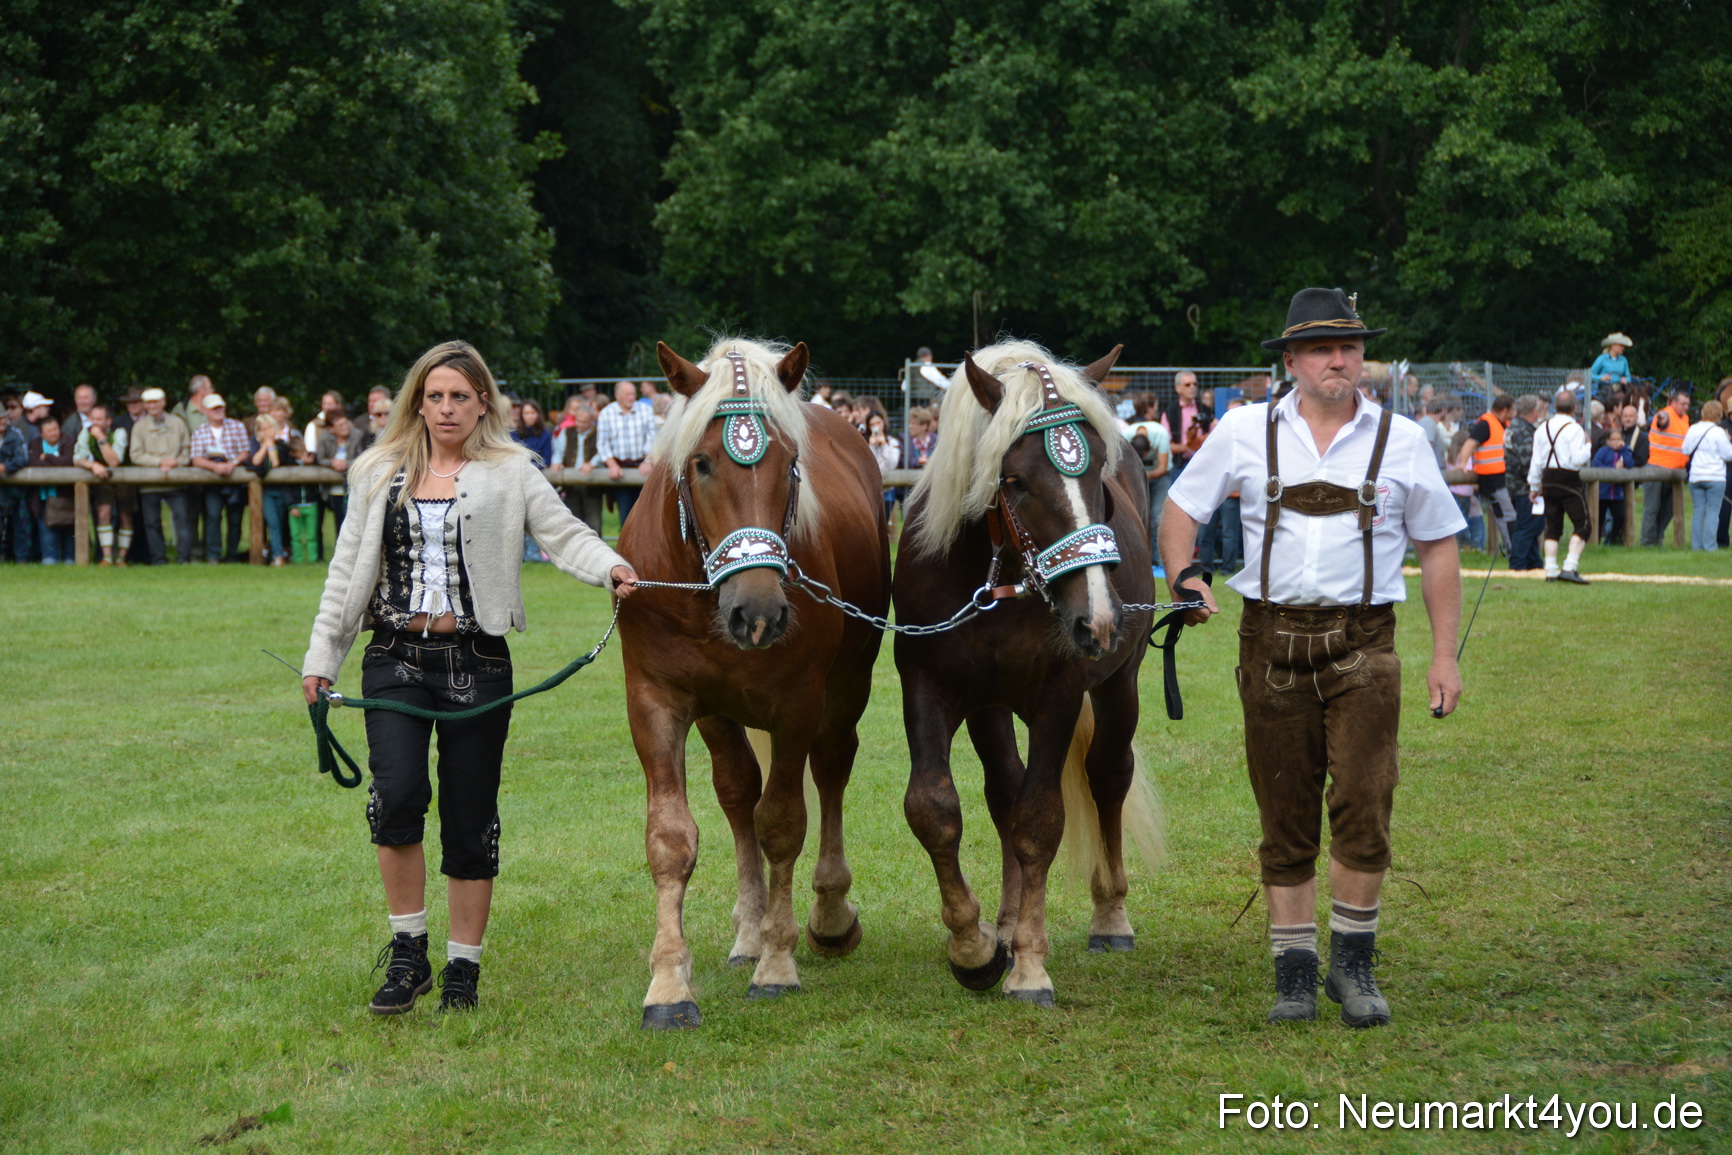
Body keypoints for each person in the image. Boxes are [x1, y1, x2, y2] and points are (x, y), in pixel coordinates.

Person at [300, 340, 638, 1015]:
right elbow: (346, 573)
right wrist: (319, 659)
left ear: (484, 401)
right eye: (435, 396)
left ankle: (462, 969)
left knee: (469, 814)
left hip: (476, 661)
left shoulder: (514, 471)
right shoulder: (375, 470)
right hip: (393, 653)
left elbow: (565, 534)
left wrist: (613, 567)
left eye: (460, 395)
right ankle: (407, 953)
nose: (447, 408)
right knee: (395, 795)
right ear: (417, 403)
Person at [1160, 287, 1464, 1029]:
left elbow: (1438, 544)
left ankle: (1353, 967)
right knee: (1284, 806)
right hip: (1269, 644)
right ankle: (1294, 970)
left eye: (1351, 347)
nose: (1340, 359)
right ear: (1290, 359)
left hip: (1366, 642)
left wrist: (1444, 656)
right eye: (1324, 348)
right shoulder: (1241, 430)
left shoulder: (1403, 438)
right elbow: (1179, 508)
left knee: (1365, 796)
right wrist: (1183, 574)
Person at [1528, 389, 1593, 583]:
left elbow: (1536, 461)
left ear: (1555, 406)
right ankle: (1569, 567)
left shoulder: (1542, 428)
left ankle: (1550, 570)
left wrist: (1534, 486)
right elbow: (1577, 459)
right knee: (1583, 524)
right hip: (1568, 479)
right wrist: (1588, 446)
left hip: (1548, 478)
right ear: (1575, 407)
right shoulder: (1575, 429)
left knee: (1553, 526)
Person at [189, 393, 255, 564]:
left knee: (235, 518)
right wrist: (215, 467)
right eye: (214, 408)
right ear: (205, 411)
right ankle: (214, 555)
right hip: (212, 482)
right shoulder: (199, 431)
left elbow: (245, 452)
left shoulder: (237, 426)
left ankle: (232, 555)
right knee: (213, 517)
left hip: (235, 480)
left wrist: (232, 463)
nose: (219, 411)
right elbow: (196, 458)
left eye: (221, 407)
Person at [129, 388, 193, 563]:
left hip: (176, 481)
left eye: (156, 401)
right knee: (152, 523)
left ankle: (183, 558)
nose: (152, 405)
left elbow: (187, 449)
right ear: (144, 405)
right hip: (149, 484)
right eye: (148, 402)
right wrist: (160, 462)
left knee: (182, 521)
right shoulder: (139, 427)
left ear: (163, 402)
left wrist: (176, 462)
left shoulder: (178, 423)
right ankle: (158, 559)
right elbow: (135, 455)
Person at [1454, 393, 1517, 557]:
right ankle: (1514, 549)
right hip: (1492, 478)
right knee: (1507, 513)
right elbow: (1470, 443)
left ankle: (1512, 548)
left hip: (1501, 476)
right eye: (1513, 410)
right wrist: (1462, 464)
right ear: (1504, 410)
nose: (1514, 413)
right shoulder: (1485, 424)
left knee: (1503, 513)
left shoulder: (1502, 423)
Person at [72, 402, 134, 565]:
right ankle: (107, 557)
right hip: (103, 477)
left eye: (99, 419)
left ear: (109, 421)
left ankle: (121, 558)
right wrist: (92, 465)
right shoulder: (85, 433)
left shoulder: (119, 433)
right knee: (103, 513)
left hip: (124, 477)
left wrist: (101, 438)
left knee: (125, 515)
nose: (95, 423)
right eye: (93, 419)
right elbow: (77, 458)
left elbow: (114, 461)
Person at [595, 378, 657, 530]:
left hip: (643, 468)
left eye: (632, 394)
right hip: (620, 470)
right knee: (626, 516)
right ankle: (626, 551)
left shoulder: (645, 410)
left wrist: (647, 461)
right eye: (627, 394)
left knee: (647, 514)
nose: (631, 397)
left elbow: (653, 439)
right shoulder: (606, 413)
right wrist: (612, 464)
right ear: (617, 395)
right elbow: (602, 443)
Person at [249, 410, 301, 565]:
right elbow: (256, 462)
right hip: (266, 492)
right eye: (263, 429)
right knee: (272, 522)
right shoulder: (255, 444)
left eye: (270, 428)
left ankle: (280, 552)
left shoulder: (282, 446)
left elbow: (276, 463)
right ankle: (277, 556)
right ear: (258, 432)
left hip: (282, 490)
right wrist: (265, 445)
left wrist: (271, 445)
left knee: (280, 522)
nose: (267, 432)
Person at [1641, 386, 1692, 545]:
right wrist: (1660, 417)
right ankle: (1648, 542)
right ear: (1673, 403)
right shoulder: (1665, 414)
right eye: (1683, 404)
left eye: (1687, 404)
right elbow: (1661, 420)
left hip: (1675, 472)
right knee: (1652, 508)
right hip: (1657, 469)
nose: (1686, 407)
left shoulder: (1685, 419)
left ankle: (1658, 537)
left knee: (1670, 509)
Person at [1679, 400, 1732, 551]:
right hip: (1715, 477)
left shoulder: (1693, 428)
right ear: (1719, 414)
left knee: (1698, 512)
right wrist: (1729, 441)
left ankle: (1696, 546)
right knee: (1713, 512)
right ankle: (1710, 545)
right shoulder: (1719, 431)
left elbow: (1685, 449)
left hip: (1696, 476)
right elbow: (1728, 455)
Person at [26, 414, 76, 563]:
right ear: (42, 434)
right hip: (43, 498)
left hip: (66, 498)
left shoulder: (68, 441)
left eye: (55, 429)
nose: (53, 433)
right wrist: (56, 460)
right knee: (47, 533)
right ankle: (49, 561)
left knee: (69, 532)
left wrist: (47, 457)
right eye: (49, 431)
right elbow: (33, 463)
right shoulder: (35, 444)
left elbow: (69, 461)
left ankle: (70, 561)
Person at [1127, 398, 1172, 561]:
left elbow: (1162, 467)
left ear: (1149, 449)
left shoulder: (1160, 434)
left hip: (1161, 476)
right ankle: (1141, 560)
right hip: (1136, 476)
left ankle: (1160, 561)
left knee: (1159, 517)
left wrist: (1141, 474)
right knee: (1138, 517)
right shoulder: (1127, 434)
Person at [549, 401, 603, 535]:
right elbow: (558, 451)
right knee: (573, 520)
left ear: (591, 420)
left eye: (584, 422)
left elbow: (604, 451)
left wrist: (592, 463)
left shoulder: (599, 432)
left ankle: (595, 553)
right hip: (571, 484)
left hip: (592, 483)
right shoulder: (567, 432)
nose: (580, 424)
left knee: (593, 522)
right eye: (578, 421)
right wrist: (557, 462)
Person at [1504, 395, 1545, 569]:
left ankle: (1534, 563)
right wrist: (1536, 484)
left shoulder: (1516, 427)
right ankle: (1518, 565)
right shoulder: (1522, 431)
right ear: (1534, 412)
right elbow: (1527, 462)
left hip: (1518, 487)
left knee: (1533, 525)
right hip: (1524, 489)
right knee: (1527, 527)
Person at [316, 411, 367, 536]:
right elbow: (320, 459)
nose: (345, 427)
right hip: (333, 488)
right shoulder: (324, 438)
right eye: (340, 426)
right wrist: (333, 462)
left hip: (353, 486)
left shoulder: (358, 435)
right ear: (331, 429)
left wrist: (346, 463)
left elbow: (363, 457)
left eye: (346, 423)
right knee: (338, 521)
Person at [1161, 371, 1214, 479]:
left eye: (1195, 384)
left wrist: (1200, 441)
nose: (1192, 387)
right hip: (1180, 464)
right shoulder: (1169, 412)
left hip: (1203, 463)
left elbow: (1215, 435)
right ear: (1178, 388)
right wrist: (1186, 447)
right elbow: (1165, 444)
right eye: (1187, 385)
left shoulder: (1206, 410)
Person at [1592, 427, 1634, 545]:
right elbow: (1596, 465)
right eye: (1613, 439)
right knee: (1599, 518)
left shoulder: (1624, 451)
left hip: (1617, 493)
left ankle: (1613, 539)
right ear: (1608, 441)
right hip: (1602, 492)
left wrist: (1625, 449)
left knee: (1620, 517)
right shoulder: (1603, 451)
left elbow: (1630, 463)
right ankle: (1595, 542)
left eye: (1618, 439)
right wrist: (1613, 468)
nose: (1616, 442)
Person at [0, 406, 28, 562]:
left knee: (19, 528)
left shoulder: (16, 434)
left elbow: (22, 459)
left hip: (15, 490)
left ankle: (21, 561)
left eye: (3, 418)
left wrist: (5, 467)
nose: (2, 421)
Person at [866, 411, 900, 523]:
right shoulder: (866, 443)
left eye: (878, 423)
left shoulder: (892, 442)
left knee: (884, 524)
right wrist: (871, 446)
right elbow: (867, 466)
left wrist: (884, 445)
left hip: (887, 491)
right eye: (872, 424)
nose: (876, 426)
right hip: (870, 489)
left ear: (883, 423)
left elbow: (892, 465)